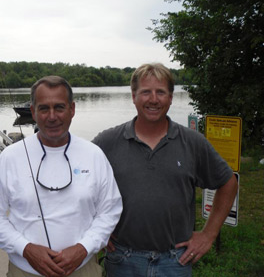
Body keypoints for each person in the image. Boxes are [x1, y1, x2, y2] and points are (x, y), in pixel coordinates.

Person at [93, 63, 238, 277]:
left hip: (175, 261)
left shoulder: (193, 142)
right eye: (145, 92)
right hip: (123, 260)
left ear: (171, 97)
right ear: (133, 96)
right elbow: (81, 184)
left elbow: (228, 183)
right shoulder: (108, 142)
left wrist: (209, 234)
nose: (153, 99)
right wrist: (98, 231)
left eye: (161, 92)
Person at [0, 76, 122, 277]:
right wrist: (25, 248)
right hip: (25, 270)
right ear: (33, 112)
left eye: (59, 107)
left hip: (83, 269)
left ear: (72, 109)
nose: (52, 116)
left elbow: (110, 210)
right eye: (44, 108)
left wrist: (83, 247)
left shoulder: (94, 155)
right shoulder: (10, 158)